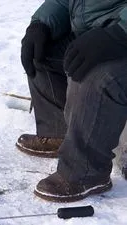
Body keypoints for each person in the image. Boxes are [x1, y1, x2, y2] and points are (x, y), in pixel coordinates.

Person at [17, 0, 127, 202]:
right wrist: (41, 23)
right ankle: (58, 133)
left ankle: (86, 172)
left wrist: (118, 35)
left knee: (96, 75)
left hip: (120, 35)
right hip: (98, 32)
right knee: (41, 51)